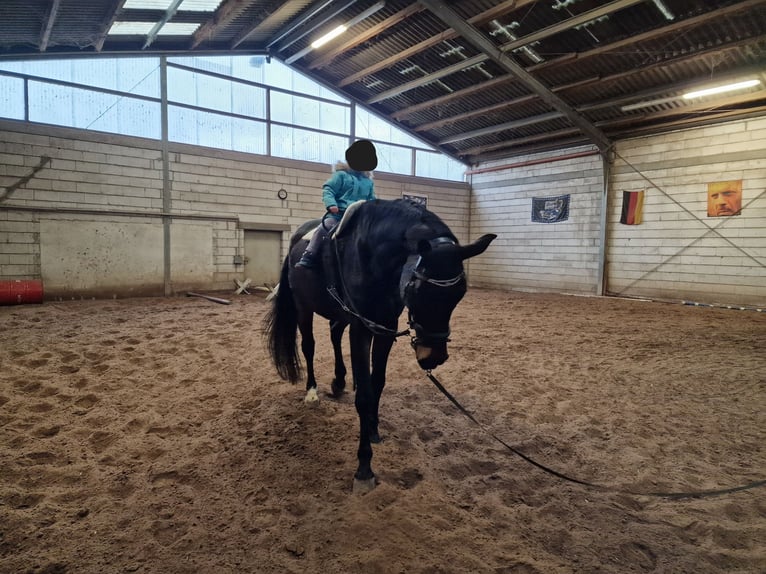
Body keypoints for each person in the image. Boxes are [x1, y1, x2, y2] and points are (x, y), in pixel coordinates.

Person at [295, 139, 378, 269]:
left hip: (359, 218)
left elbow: (372, 199)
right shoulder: (341, 176)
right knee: (324, 227)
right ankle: (309, 254)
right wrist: (331, 204)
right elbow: (329, 189)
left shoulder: (368, 182)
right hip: (339, 215)